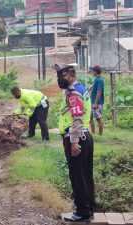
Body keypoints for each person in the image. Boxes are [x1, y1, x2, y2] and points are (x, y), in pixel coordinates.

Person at [55, 63, 96, 222]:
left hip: (77, 138)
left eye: (63, 77)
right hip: (85, 137)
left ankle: (82, 212)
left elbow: (77, 118)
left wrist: (73, 142)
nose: (60, 80)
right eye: (58, 77)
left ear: (71, 75)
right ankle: (90, 208)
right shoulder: (81, 89)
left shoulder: (73, 93)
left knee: (77, 177)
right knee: (86, 175)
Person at [90, 65, 104, 136]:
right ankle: (93, 134)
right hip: (92, 102)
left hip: (96, 103)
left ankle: (100, 135)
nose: (92, 72)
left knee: (98, 118)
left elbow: (99, 92)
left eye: (93, 71)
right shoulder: (96, 79)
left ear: (95, 71)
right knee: (90, 118)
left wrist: (95, 103)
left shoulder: (99, 80)